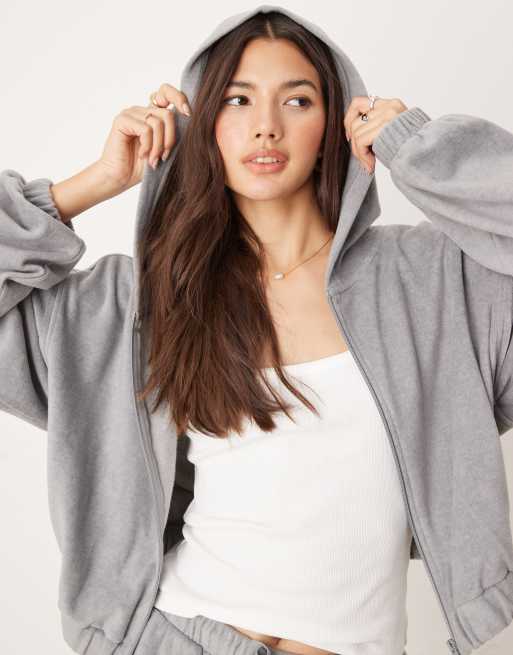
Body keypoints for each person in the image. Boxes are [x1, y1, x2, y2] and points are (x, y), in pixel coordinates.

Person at [2, 5, 513, 655]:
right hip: (178, 635)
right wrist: (92, 183)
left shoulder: (430, 280)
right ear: (203, 124)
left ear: (336, 122)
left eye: (297, 100)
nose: (266, 126)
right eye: (237, 100)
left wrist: (420, 148)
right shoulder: (141, 303)